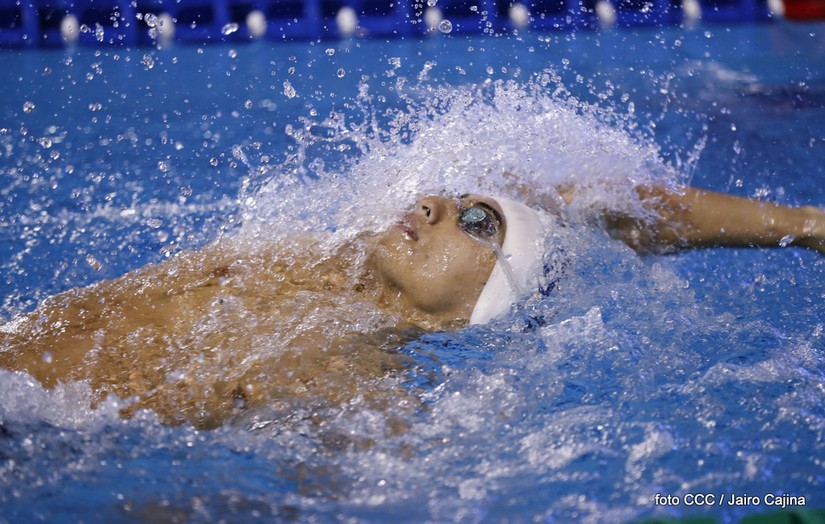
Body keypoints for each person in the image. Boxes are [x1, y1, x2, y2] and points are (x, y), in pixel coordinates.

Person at [1, 182, 823, 428]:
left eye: (476, 223)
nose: (433, 203)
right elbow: (617, 203)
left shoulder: (345, 365)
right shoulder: (320, 264)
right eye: (454, 196)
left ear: (469, 309)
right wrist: (809, 225)